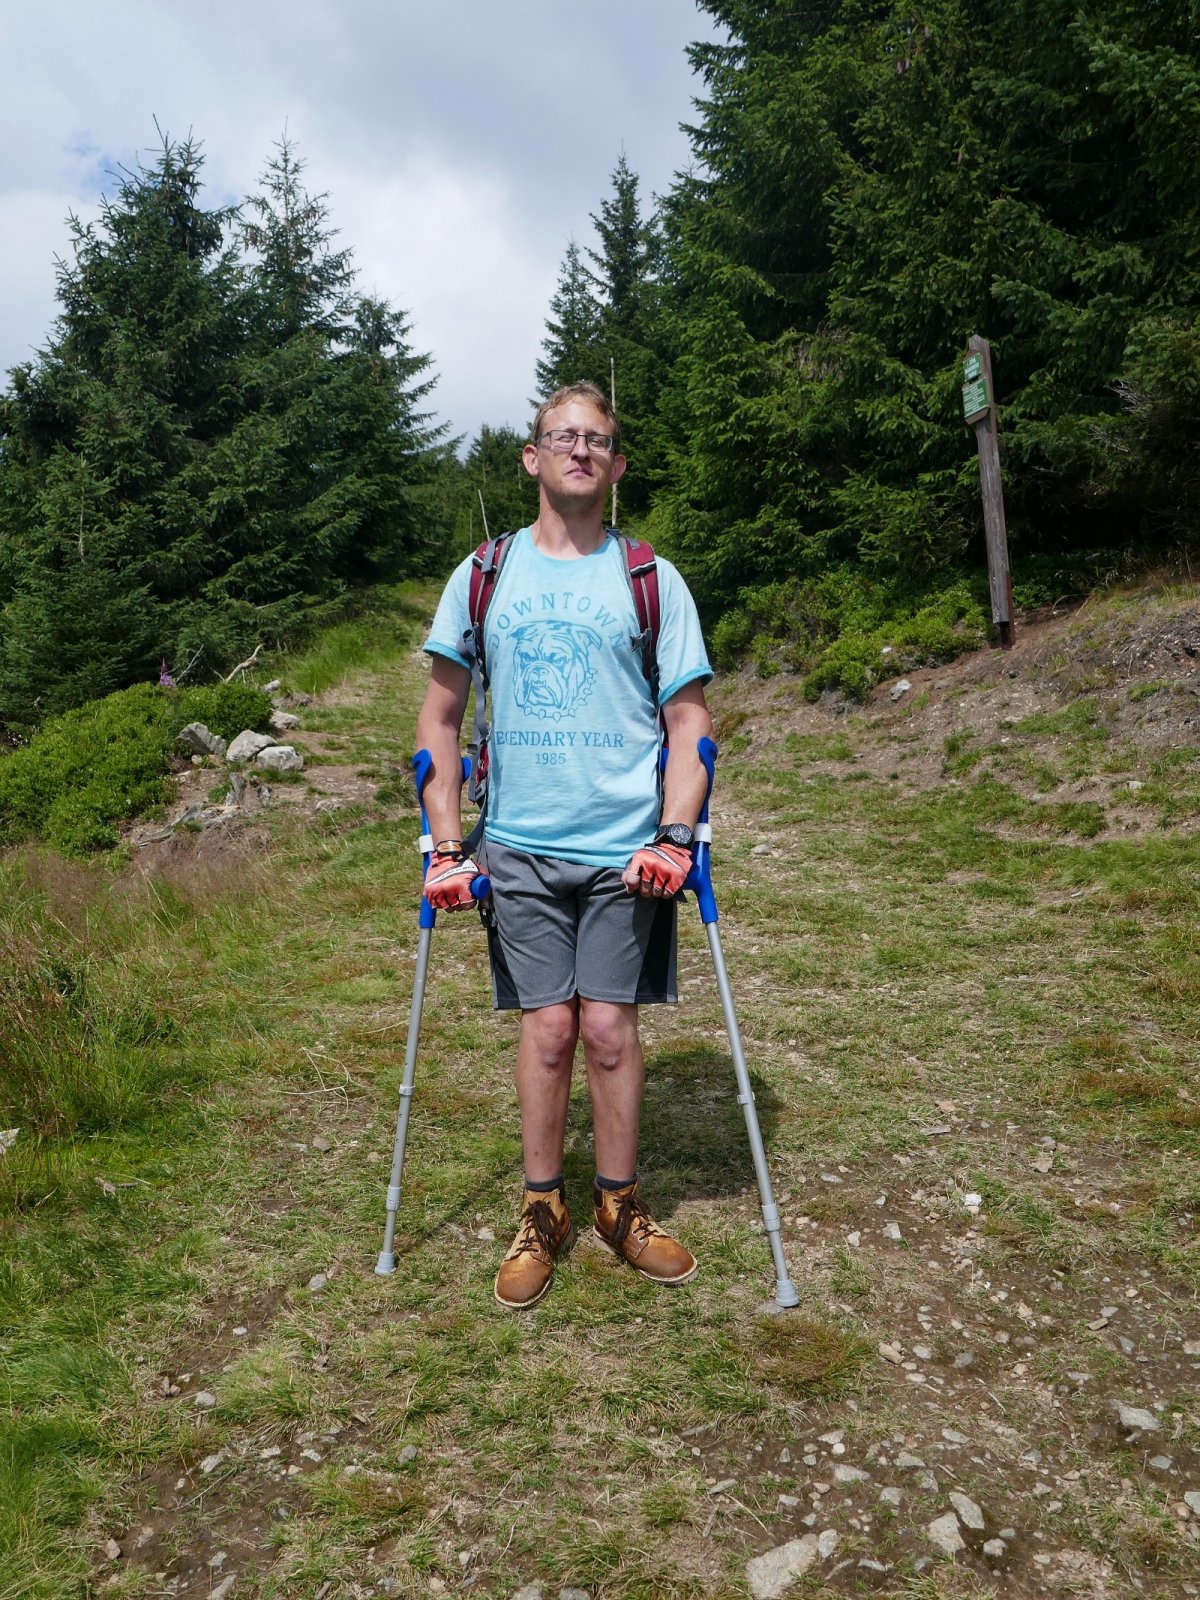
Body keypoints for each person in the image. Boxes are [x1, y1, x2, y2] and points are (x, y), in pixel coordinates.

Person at [414, 380, 714, 1310]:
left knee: (610, 1030)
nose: (580, 450)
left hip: (628, 848)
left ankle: (619, 1204)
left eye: (597, 440)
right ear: (532, 458)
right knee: (548, 1032)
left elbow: (689, 721)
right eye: (562, 436)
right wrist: (446, 843)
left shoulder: (651, 579)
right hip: (519, 846)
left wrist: (676, 834)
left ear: (616, 467)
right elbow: (440, 717)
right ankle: (542, 1208)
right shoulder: (483, 575)